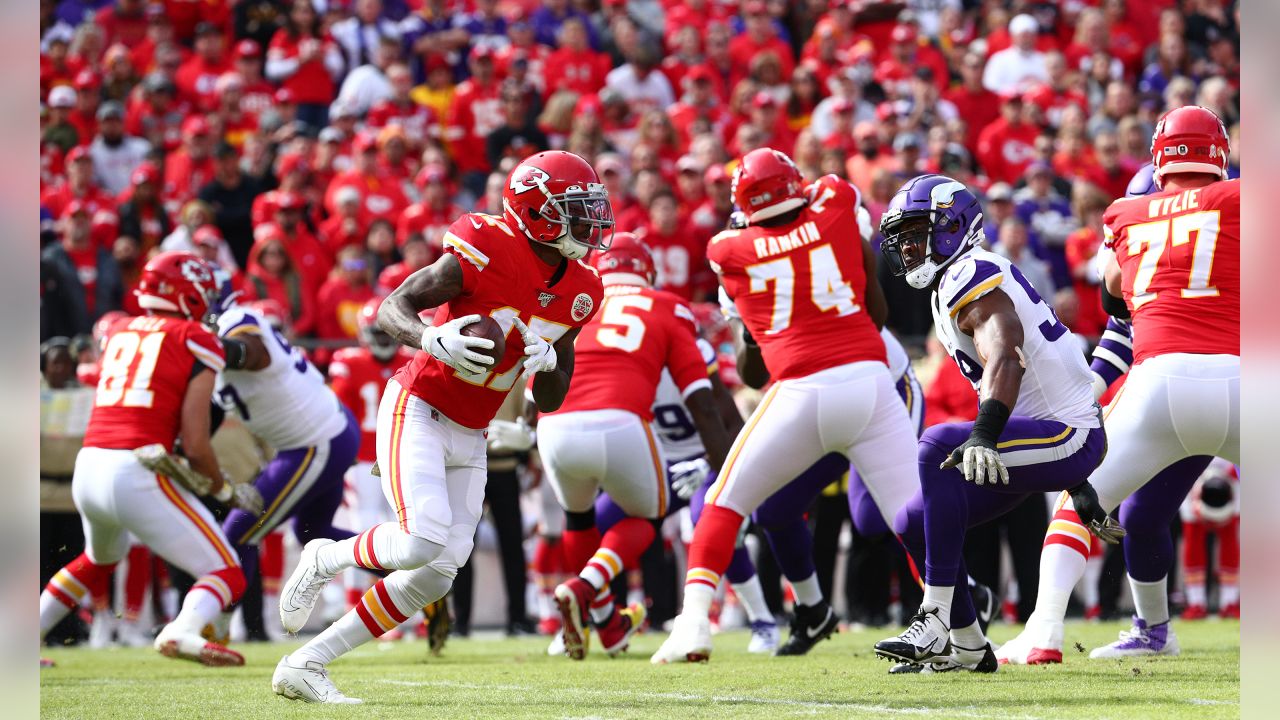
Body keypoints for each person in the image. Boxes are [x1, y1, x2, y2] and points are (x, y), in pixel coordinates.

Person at [271, 151, 609, 703]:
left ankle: (308, 662)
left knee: (436, 573)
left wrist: (548, 363)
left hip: (472, 430)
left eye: (592, 209)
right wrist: (431, 339)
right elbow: (393, 306)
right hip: (419, 404)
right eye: (577, 209)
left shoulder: (583, 288)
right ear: (537, 210)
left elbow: (551, 397)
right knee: (420, 539)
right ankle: (324, 556)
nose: (592, 223)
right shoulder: (488, 243)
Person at [651, 149, 920, 664]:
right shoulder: (837, 201)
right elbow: (871, 296)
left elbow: (756, 367)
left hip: (821, 385)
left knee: (726, 503)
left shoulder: (729, 248)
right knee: (905, 515)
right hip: (870, 383)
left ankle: (693, 623)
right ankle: (955, 622)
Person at [998, 105, 1239, 663]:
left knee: (1077, 503)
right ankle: (1151, 632)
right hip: (1241, 378)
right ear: (1218, 153)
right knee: (1142, 514)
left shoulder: (1125, 212)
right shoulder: (1244, 199)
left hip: (1158, 383)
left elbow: (1112, 294)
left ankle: (1044, 632)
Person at [870, 173, 1122, 673]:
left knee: (936, 444)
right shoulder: (954, 280)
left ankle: (935, 616)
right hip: (1047, 433)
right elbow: (1039, 383)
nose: (908, 248)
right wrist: (1080, 485)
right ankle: (967, 645)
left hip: (1067, 434)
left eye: (917, 233)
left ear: (950, 228)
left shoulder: (970, 271)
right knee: (910, 520)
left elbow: (1007, 353)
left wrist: (984, 434)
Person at [38, 252, 259, 666]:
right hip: (135, 469)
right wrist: (222, 488)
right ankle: (183, 629)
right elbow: (195, 442)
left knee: (97, 558)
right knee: (228, 572)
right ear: (188, 293)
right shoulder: (193, 338)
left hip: (89, 465)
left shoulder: (119, 329)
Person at [538, 233, 733, 660]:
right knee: (648, 514)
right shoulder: (668, 306)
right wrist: (728, 472)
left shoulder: (574, 298)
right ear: (647, 271)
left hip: (552, 424)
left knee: (579, 516)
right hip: (621, 419)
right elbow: (701, 401)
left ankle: (607, 623)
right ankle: (586, 588)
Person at [206, 278, 361, 641]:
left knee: (236, 534)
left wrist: (200, 345)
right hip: (324, 435)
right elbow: (209, 417)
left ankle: (218, 630)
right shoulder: (210, 352)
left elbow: (251, 350)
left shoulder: (238, 322)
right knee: (313, 534)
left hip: (315, 442)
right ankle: (409, 568)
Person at [328, 298, 414, 616]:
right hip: (367, 457)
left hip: (394, 455)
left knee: (395, 529)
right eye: (377, 334)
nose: (382, 341)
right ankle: (356, 600)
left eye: (385, 334)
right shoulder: (352, 362)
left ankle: (399, 605)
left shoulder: (407, 359)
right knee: (365, 527)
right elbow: (339, 409)